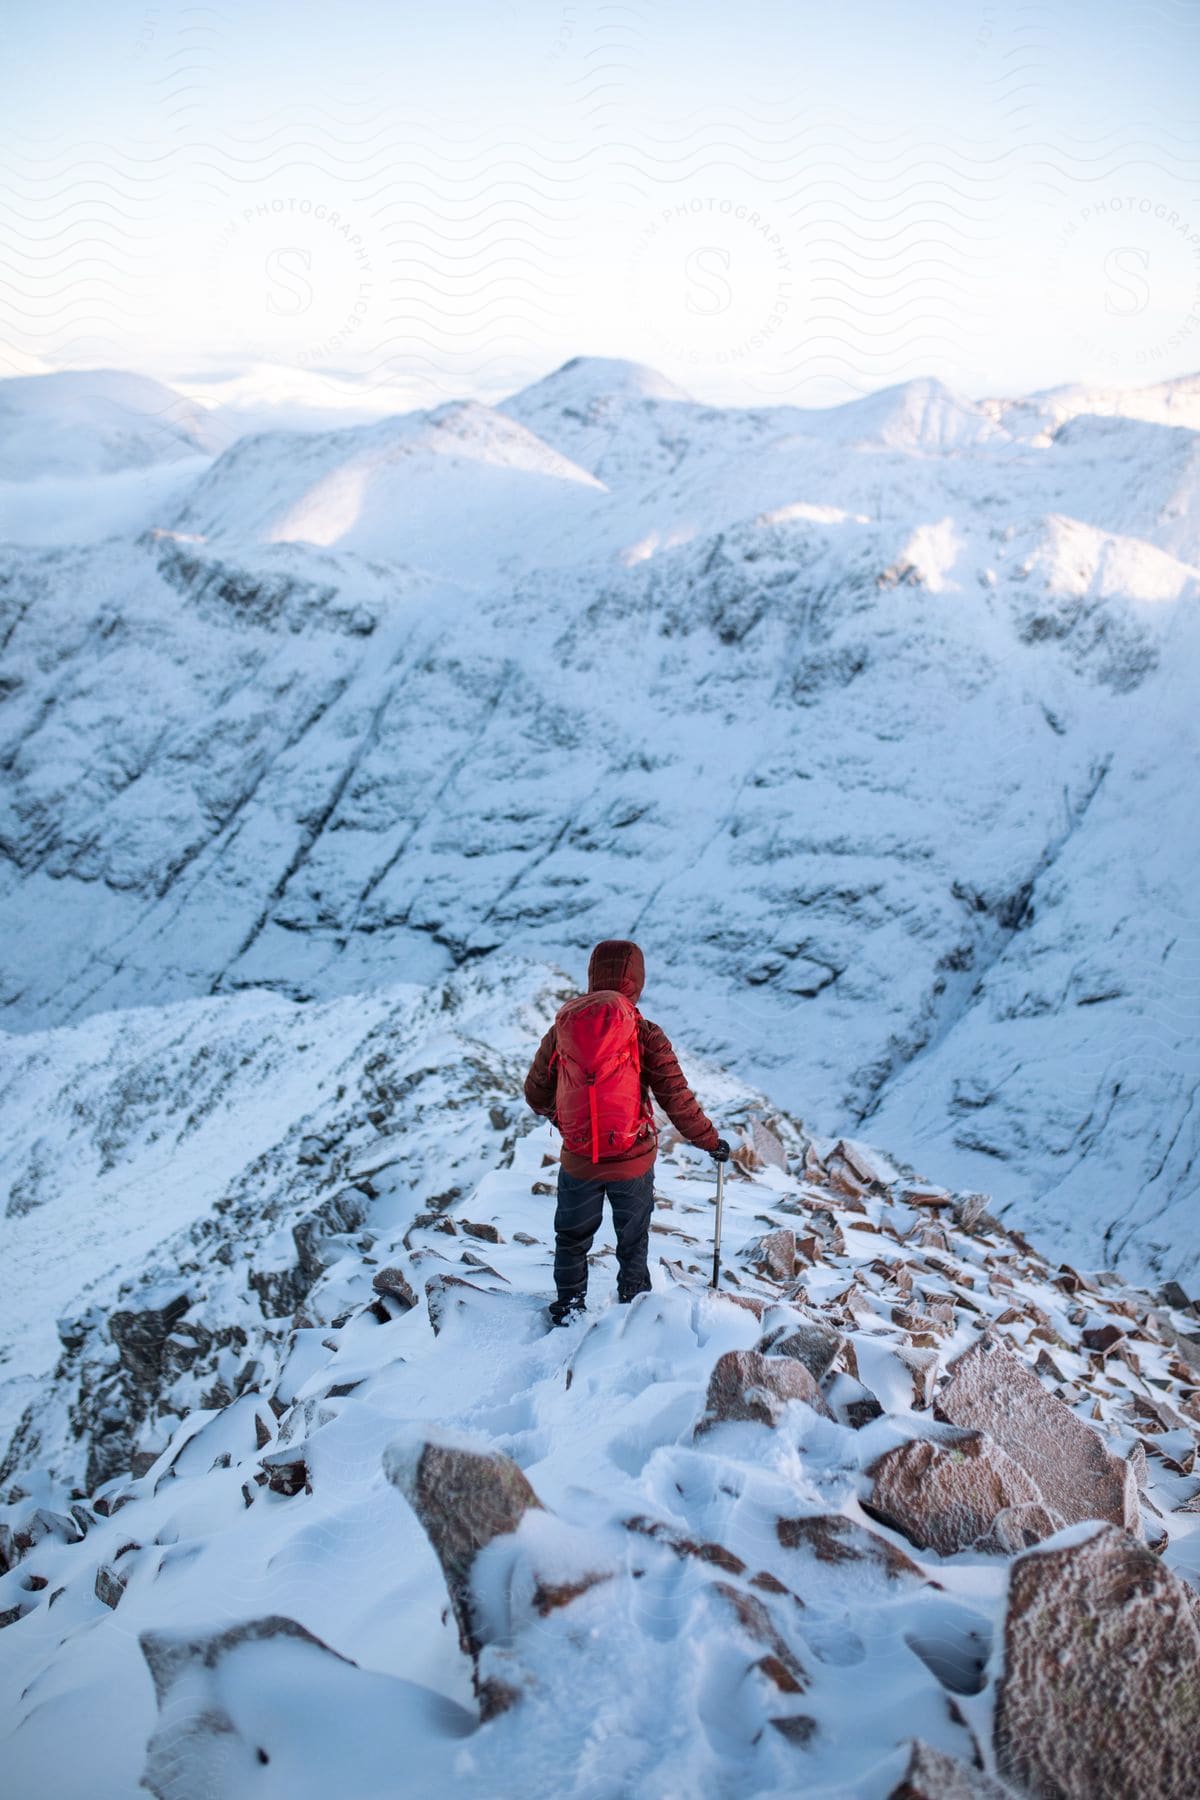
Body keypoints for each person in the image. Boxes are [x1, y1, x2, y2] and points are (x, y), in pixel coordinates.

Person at [524, 938, 730, 1325]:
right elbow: (676, 1098)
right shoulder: (643, 1030)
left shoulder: (563, 1028)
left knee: (571, 1239)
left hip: (580, 1159)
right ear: (636, 980)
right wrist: (711, 1141)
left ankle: (569, 1310)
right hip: (633, 1160)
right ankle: (635, 1310)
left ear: (592, 975)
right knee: (633, 1240)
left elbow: (535, 1092)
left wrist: (569, 1126)